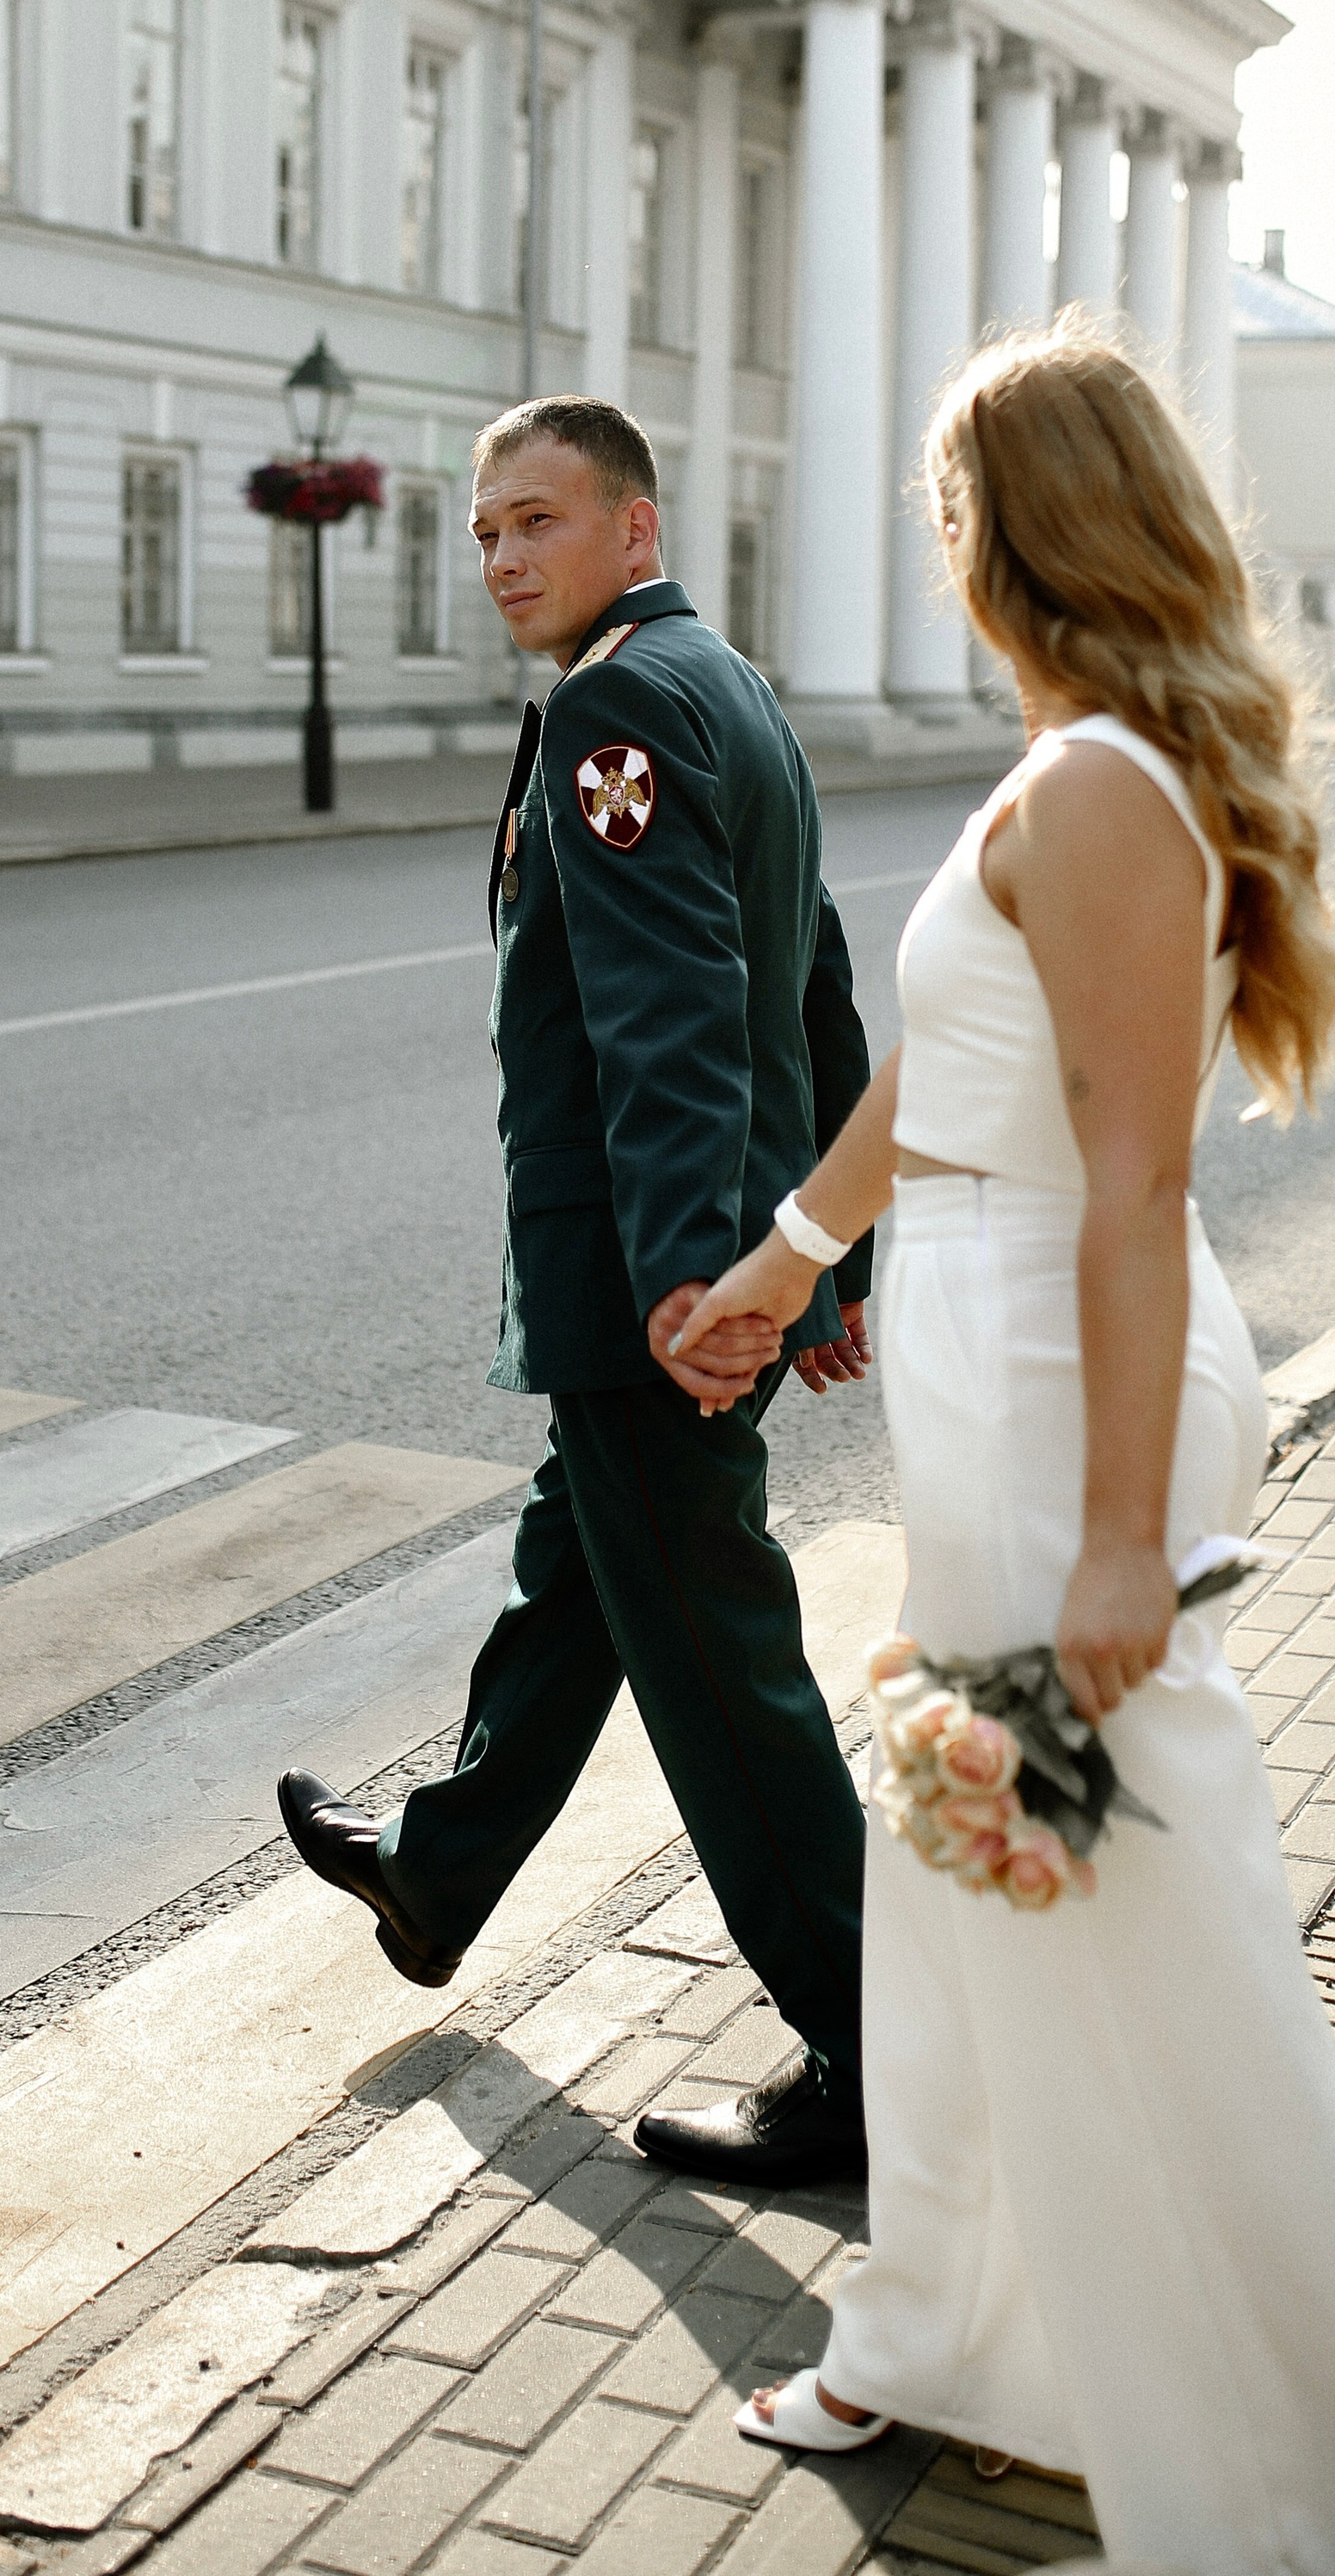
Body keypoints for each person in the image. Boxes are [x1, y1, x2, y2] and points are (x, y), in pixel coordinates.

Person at [668, 336, 1335, 2572]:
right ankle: (940, 2332)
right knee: (969, 1876)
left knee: (1135, 1893)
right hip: (992, 1377)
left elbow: (1139, 1189)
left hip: (1064, 1402)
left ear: (1009, 527)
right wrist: (783, 1262)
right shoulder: (1066, 776)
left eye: (952, 509)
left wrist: (1126, 1546)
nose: (940, 550)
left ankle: (1323, 2488)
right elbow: (936, 1077)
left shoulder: (1110, 792)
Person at [278, 394, 878, 2188]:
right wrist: (826, 1266)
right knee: (587, 1572)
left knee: (715, 1658)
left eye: (536, 520)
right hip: (725, 1263)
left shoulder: (619, 706)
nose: (500, 558)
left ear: (634, 527)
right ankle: (438, 1866)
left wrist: (710, 1295)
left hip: (660, 1290)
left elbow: (681, 1029)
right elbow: (814, 985)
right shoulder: (729, 685)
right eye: (480, 532)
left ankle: (872, 2045)